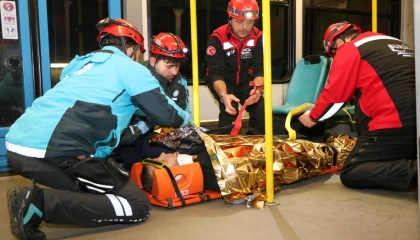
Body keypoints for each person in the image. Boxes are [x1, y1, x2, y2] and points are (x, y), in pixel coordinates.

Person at [6, 18, 193, 240]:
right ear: (130, 48)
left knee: (89, 190)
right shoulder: (129, 68)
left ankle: (34, 208)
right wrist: (187, 119)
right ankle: (38, 203)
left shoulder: (79, 66)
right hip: (60, 150)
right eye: (137, 52)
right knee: (137, 205)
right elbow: (167, 114)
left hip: (18, 148)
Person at [299, 22, 417, 191]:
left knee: (352, 172)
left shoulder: (350, 48)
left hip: (392, 124)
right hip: (415, 124)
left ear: (337, 44)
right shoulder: (397, 44)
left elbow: (336, 97)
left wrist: (313, 117)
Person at [118, 32, 191, 169]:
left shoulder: (181, 82)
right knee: (134, 158)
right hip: (134, 136)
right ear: (152, 61)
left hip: (167, 135)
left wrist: (194, 130)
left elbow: (185, 111)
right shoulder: (137, 78)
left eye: (177, 66)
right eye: (169, 67)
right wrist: (142, 126)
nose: (174, 72)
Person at [204, 0, 265, 134]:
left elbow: (259, 68)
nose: (244, 27)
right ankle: (224, 149)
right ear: (230, 19)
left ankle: (255, 147)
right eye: (239, 21)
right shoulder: (217, 38)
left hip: (246, 79)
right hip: (224, 80)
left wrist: (258, 91)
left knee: (261, 110)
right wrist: (224, 95)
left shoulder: (259, 37)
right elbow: (216, 72)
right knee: (230, 111)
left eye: (249, 22)